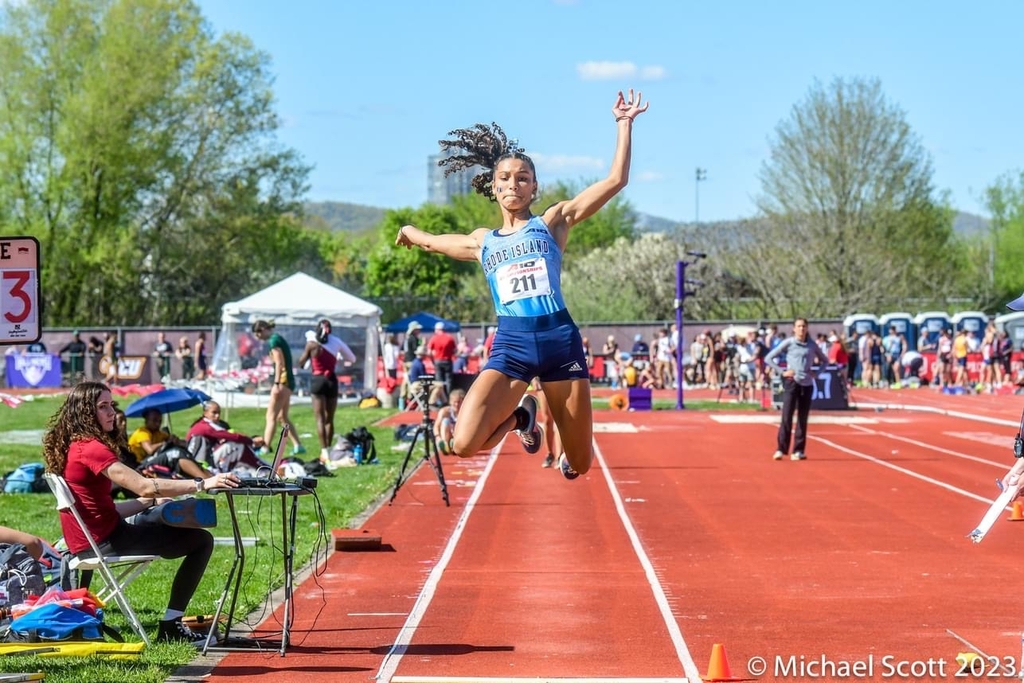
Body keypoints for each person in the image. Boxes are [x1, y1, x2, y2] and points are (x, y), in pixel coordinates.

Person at [395, 88, 649, 479]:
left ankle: (545, 431)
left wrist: (624, 123)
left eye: (523, 178)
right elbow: (430, 242)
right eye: (505, 178)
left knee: (580, 464)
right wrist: (408, 230)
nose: (513, 184)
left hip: (559, 341)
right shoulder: (483, 242)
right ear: (493, 187)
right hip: (512, 345)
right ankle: (521, 417)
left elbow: (616, 180)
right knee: (463, 443)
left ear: (534, 188)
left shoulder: (553, 222)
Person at [41, 381, 239, 644]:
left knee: (156, 515)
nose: (112, 412)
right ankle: (171, 627)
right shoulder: (91, 448)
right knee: (200, 540)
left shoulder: (73, 445)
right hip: (105, 541)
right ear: (85, 412)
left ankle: (163, 515)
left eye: (111, 405)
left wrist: (146, 502)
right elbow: (144, 484)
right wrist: (203, 483)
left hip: (91, 539)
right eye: (103, 406)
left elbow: (103, 509)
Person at [764, 318, 829, 461]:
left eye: (804, 326)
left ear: (807, 328)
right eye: (799, 326)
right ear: (794, 328)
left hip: (807, 384)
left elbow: (825, 361)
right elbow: (768, 358)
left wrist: (816, 373)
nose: (801, 329)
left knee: (802, 418)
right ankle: (781, 449)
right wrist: (782, 372)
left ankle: (798, 450)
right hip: (792, 383)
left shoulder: (812, 345)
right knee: (787, 416)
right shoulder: (789, 343)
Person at [298, 319, 355, 462]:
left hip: (317, 380)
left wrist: (309, 358)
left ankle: (324, 452)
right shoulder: (336, 342)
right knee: (329, 419)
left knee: (320, 418)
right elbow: (352, 358)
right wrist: (338, 356)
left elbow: (301, 362)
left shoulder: (311, 344)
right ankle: (329, 450)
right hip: (331, 380)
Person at [251, 320, 304, 455]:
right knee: (282, 417)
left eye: (257, 333)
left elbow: (280, 362)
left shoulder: (274, 341)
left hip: (283, 382)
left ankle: (265, 447)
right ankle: (298, 446)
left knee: (271, 416)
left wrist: (276, 384)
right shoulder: (278, 338)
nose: (257, 337)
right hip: (288, 382)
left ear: (263, 329)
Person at [127, 408, 213, 481]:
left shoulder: (159, 433)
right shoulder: (142, 432)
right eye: (154, 420)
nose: (157, 424)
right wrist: (164, 443)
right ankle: (205, 480)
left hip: (153, 460)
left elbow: (182, 443)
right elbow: (150, 450)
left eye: (159, 421)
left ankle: (210, 478)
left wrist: (176, 440)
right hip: (141, 464)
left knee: (181, 453)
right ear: (146, 420)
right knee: (175, 453)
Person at [185, 401, 269, 473]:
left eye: (219, 413)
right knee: (237, 445)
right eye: (214, 412)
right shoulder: (205, 426)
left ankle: (259, 467)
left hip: (199, 459)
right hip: (202, 461)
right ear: (205, 413)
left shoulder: (200, 424)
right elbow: (232, 436)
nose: (217, 415)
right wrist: (251, 441)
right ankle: (264, 468)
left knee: (234, 445)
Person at [433, 389, 466, 455]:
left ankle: (456, 444)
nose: (456, 404)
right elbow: (436, 426)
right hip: (447, 436)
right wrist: (438, 437)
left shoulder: (465, 412)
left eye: (459, 402)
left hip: (459, 437)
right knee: (445, 421)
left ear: (463, 402)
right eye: (455, 402)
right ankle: (445, 444)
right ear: (450, 402)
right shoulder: (445, 411)